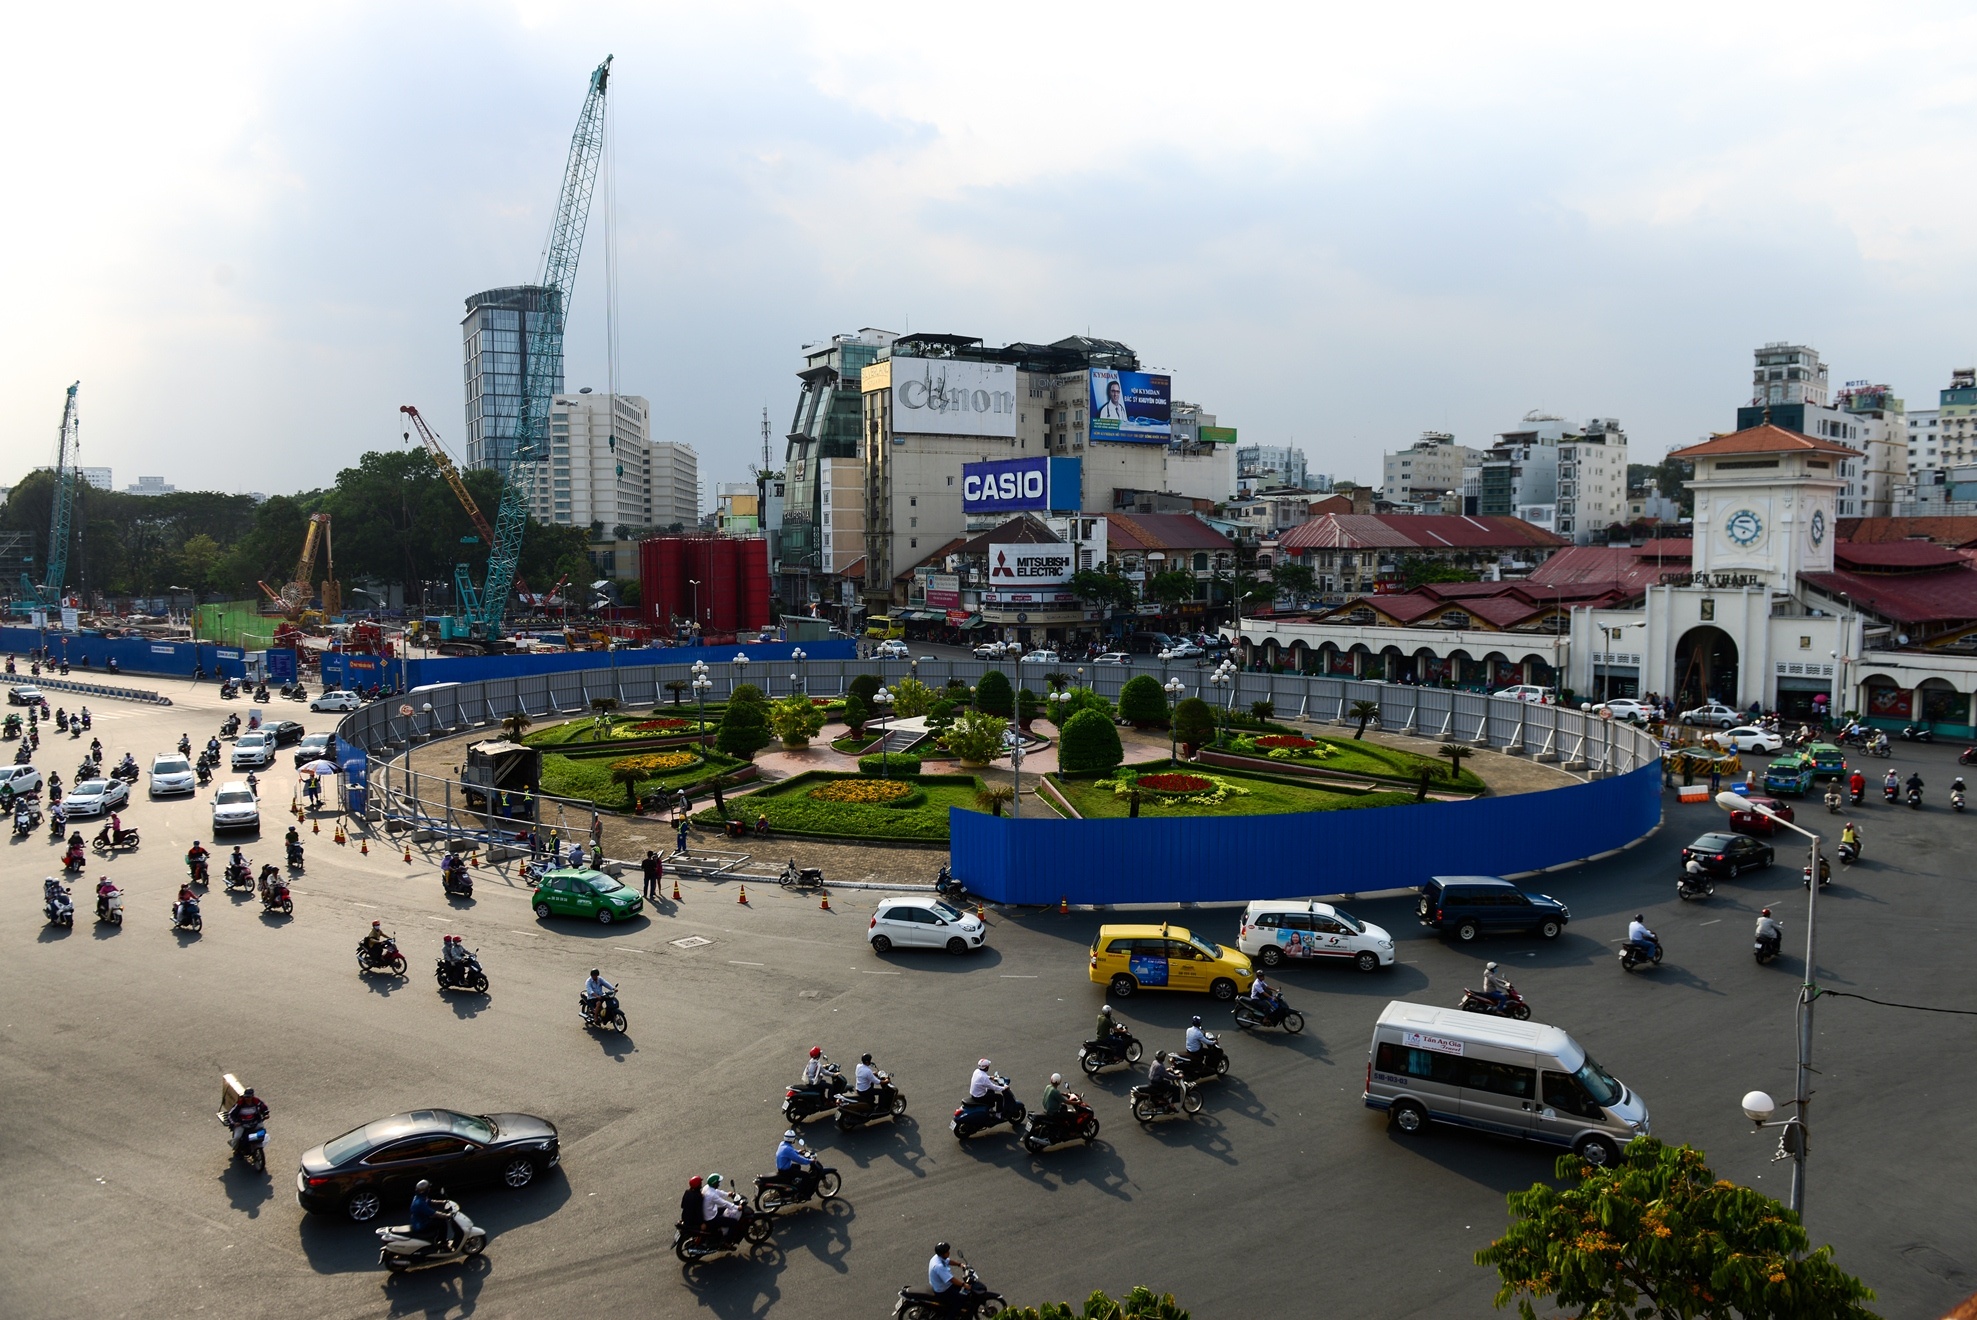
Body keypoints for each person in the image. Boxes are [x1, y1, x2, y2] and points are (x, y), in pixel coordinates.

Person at [774, 1129, 817, 1196]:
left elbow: (790, 1151)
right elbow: (798, 1159)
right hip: (786, 1170)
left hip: (782, 1167)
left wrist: (798, 1151)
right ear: (792, 1139)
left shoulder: (782, 1144)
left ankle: (793, 1183)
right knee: (806, 1176)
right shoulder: (788, 1150)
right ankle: (802, 1193)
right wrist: (810, 1161)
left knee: (797, 1166)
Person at [226, 1087, 270, 1152]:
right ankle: (236, 1150)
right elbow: (230, 1114)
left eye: (249, 1097)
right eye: (246, 1097)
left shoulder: (257, 1101)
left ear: (252, 1096)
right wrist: (235, 1123)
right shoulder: (240, 1104)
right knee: (237, 1137)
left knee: (262, 1132)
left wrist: (266, 1114)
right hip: (242, 1124)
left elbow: (264, 1108)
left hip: (254, 1122)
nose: (247, 1099)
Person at [408, 1180, 446, 1248]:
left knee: (438, 1220)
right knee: (442, 1222)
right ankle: (443, 1243)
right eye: (428, 1188)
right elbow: (434, 1214)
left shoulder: (418, 1197)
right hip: (421, 1225)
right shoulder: (420, 1203)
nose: (429, 1189)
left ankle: (437, 1239)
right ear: (425, 1191)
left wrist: (442, 1202)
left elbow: (430, 1201)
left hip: (420, 1221)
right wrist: (447, 1215)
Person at [928, 1242, 964, 1310]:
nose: (949, 1253)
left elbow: (948, 1261)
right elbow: (951, 1279)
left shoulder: (937, 1257)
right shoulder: (939, 1266)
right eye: (947, 1252)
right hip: (942, 1290)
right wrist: (964, 1284)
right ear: (942, 1254)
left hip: (941, 1285)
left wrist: (959, 1264)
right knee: (959, 1303)